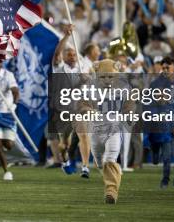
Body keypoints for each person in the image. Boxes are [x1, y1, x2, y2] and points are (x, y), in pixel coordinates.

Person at [87, 59, 134, 204]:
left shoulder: (124, 87)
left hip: (114, 129)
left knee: (110, 159)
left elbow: (130, 104)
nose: (107, 80)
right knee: (100, 164)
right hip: (95, 131)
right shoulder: (89, 87)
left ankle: (111, 192)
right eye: (103, 76)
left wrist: (129, 114)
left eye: (110, 76)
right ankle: (115, 172)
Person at [52, 25, 91, 178]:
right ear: (64, 56)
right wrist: (67, 36)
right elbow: (56, 54)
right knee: (64, 144)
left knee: (83, 135)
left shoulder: (82, 69)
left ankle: (85, 167)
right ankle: (65, 161)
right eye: (69, 54)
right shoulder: (59, 68)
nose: (72, 56)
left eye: (74, 54)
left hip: (79, 108)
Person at [148, 56, 174, 188]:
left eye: (168, 67)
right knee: (166, 155)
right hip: (163, 122)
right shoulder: (155, 84)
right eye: (163, 67)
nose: (165, 70)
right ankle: (165, 180)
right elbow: (150, 103)